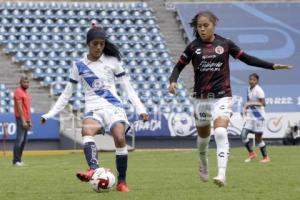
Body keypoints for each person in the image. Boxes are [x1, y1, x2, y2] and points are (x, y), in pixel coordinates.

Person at [168, 10, 291, 187]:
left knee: (219, 132)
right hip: (201, 100)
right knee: (203, 140)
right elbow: (178, 67)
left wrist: (271, 66)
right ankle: (203, 161)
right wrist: (173, 81)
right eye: (199, 26)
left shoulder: (225, 44)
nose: (202, 29)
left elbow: (248, 59)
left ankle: (221, 174)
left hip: (222, 97)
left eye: (205, 25)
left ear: (213, 25)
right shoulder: (193, 47)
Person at [41, 25, 149, 192]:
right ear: (88, 44)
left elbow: (128, 88)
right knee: (86, 131)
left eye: (102, 43)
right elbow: (66, 94)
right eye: (95, 44)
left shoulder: (113, 62)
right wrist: (49, 114)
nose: (99, 47)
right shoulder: (78, 66)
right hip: (94, 108)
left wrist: (141, 109)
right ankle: (94, 169)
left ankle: (121, 182)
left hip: (113, 106)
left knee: (119, 138)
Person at [241, 73, 270, 163]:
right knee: (243, 134)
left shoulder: (259, 90)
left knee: (258, 139)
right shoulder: (248, 89)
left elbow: (263, 104)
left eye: (254, 80)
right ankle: (252, 153)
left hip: (259, 117)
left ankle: (266, 157)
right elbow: (249, 102)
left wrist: (251, 104)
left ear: (257, 81)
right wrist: (246, 107)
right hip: (251, 117)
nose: (251, 81)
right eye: (250, 79)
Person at [13, 75, 32, 166]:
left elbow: (27, 109)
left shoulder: (26, 93)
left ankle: (19, 160)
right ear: (20, 83)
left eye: (27, 82)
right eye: (24, 82)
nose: (26, 83)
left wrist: (29, 120)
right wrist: (23, 120)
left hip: (26, 119)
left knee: (24, 140)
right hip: (21, 118)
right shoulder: (18, 92)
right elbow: (20, 108)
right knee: (19, 139)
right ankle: (16, 160)